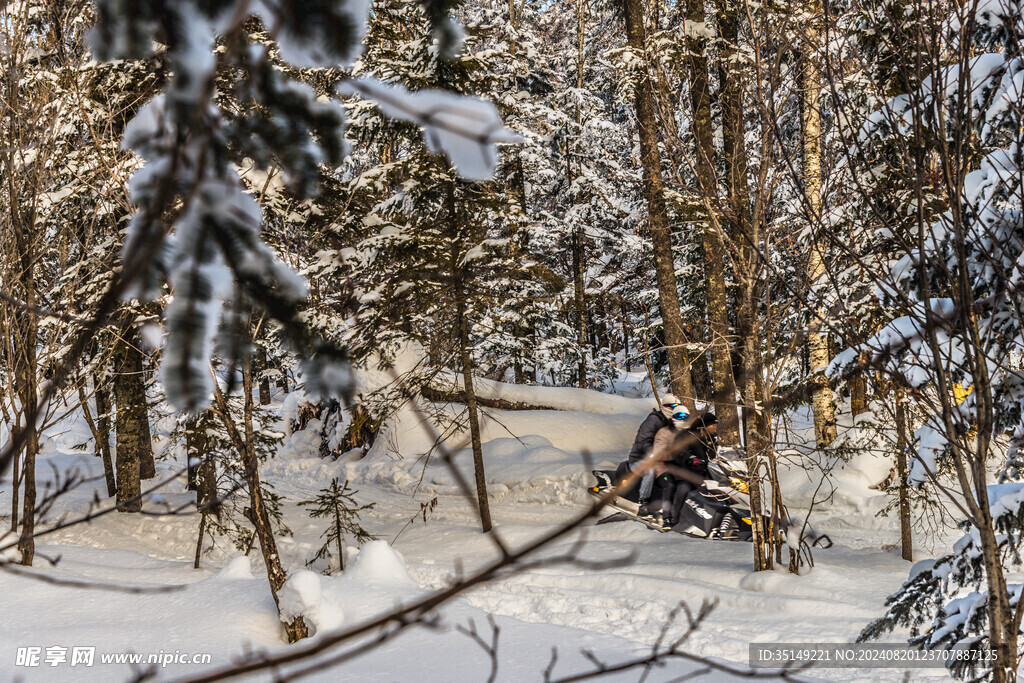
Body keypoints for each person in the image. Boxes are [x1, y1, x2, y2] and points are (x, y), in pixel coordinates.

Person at [614, 395, 689, 519]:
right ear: (665, 407)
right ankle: (643, 502)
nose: (674, 409)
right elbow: (643, 441)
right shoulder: (654, 420)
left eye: (677, 406)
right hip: (640, 458)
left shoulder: (672, 423)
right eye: (672, 406)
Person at [652, 413, 718, 527]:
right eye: (713, 425)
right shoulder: (687, 435)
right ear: (704, 426)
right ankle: (671, 518)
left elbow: (716, 454)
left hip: (704, 473)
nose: (715, 428)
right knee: (683, 488)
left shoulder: (711, 439)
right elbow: (679, 451)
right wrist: (690, 459)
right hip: (684, 472)